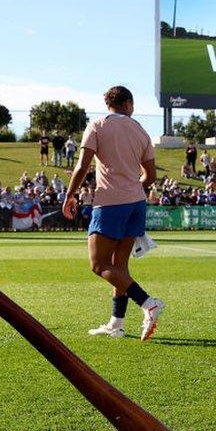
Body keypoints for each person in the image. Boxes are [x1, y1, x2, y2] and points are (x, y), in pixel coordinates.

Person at [63, 85, 164, 341]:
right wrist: (134, 187)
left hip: (109, 203)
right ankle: (116, 323)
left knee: (98, 265)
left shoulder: (97, 125)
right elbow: (150, 176)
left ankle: (148, 303)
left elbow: (82, 165)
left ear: (108, 104)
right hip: (136, 204)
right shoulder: (141, 130)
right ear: (128, 104)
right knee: (119, 266)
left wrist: (69, 195)